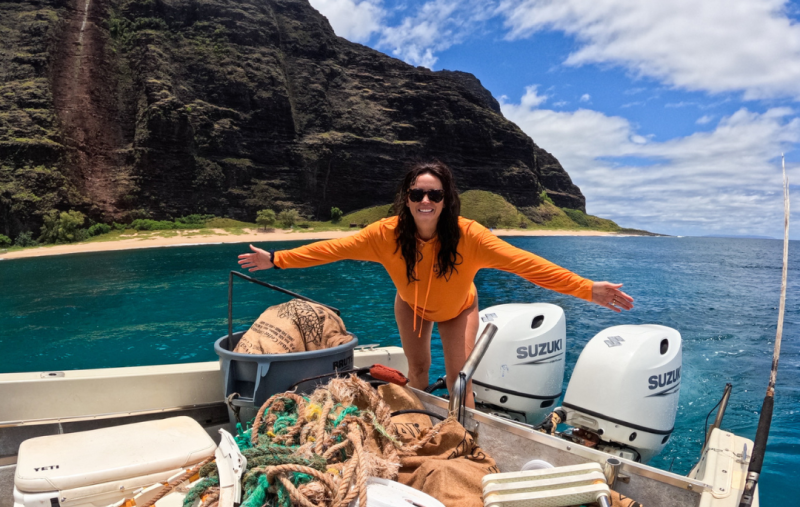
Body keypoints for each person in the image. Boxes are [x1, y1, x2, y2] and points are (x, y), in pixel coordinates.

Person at [239, 162, 633, 407]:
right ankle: (419, 421)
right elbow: (332, 249)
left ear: (446, 199)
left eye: (434, 193)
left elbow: (527, 265)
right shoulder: (384, 235)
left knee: (462, 381)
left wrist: (587, 288)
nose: (425, 199)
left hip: (459, 309)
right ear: (407, 198)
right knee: (419, 370)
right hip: (411, 306)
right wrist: (276, 259)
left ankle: (464, 438)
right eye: (417, 193)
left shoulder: (470, 236)